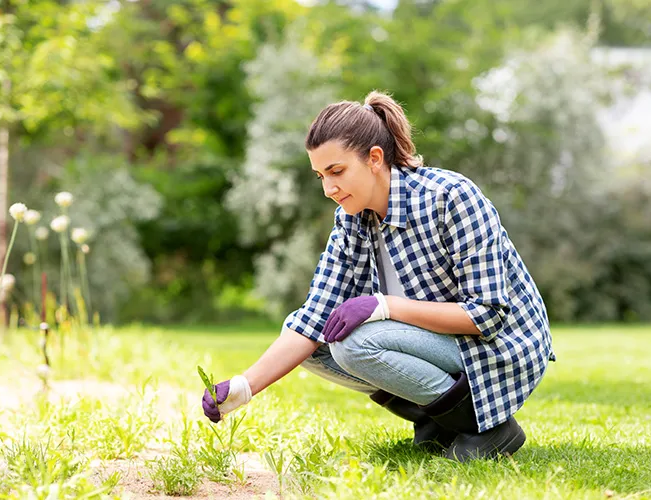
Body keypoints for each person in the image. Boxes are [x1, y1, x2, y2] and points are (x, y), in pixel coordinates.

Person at [202, 91, 555, 462]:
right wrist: (245, 386)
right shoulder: (351, 219)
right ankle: (438, 421)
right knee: (314, 343)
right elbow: (314, 316)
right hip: (440, 344)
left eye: (337, 172)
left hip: (500, 347)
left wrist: (385, 306)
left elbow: (486, 314)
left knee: (353, 343)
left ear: (374, 158)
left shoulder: (451, 197)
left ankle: (488, 428)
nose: (328, 189)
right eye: (321, 175)